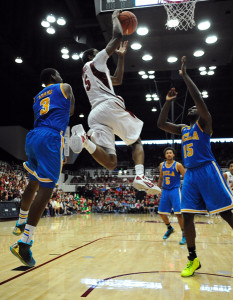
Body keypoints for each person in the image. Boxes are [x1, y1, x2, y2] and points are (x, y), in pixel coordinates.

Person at [157, 56, 233, 282]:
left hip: (207, 170)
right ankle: (193, 258)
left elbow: (199, 101)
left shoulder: (204, 122)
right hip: (190, 175)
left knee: (227, 214)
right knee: (186, 217)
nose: (191, 108)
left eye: (193, 108)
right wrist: (168, 101)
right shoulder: (184, 129)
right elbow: (160, 124)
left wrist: (186, 76)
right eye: (188, 108)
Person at [69, 10, 160, 195]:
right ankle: (140, 176)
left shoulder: (90, 73)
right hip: (108, 106)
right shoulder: (95, 62)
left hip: (95, 115)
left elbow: (117, 79)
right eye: (99, 52)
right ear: (91, 56)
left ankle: (84, 140)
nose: (104, 54)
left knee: (111, 163)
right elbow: (117, 36)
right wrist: (114, 18)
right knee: (136, 142)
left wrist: (122, 57)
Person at [10, 68, 75, 267]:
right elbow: (70, 111)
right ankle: (25, 242)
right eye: (58, 73)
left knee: (33, 183)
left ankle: (21, 221)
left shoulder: (36, 97)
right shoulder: (65, 87)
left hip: (34, 136)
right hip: (51, 137)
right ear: (52, 77)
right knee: (46, 191)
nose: (61, 75)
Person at [157, 147, 186, 245]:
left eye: (171, 153)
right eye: (167, 153)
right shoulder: (162, 165)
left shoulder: (178, 165)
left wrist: (186, 190)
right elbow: (161, 178)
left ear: (173, 155)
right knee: (161, 213)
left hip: (175, 190)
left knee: (178, 213)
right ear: (165, 155)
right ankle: (169, 228)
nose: (169, 154)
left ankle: (184, 234)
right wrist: (158, 189)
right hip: (165, 190)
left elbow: (186, 177)